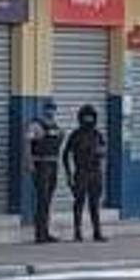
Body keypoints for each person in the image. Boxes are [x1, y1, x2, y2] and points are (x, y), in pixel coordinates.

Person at [63, 104, 107, 243]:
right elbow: (65, 154)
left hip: (95, 172)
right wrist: (69, 175)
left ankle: (97, 232)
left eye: (91, 117)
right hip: (81, 172)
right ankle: (77, 232)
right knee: (79, 203)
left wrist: (99, 154)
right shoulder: (75, 134)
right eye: (86, 117)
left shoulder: (97, 134)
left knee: (94, 204)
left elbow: (104, 151)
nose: (88, 120)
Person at [26, 99, 64, 244]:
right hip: (41, 163)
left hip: (52, 163)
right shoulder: (36, 125)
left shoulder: (55, 126)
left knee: (48, 200)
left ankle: (45, 231)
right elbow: (28, 143)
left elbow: (59, 140)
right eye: (49, 109)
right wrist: (29, 162)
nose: (51, 112)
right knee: (42, 199)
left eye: (53, 109)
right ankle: (39, 234)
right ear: (43, 110)